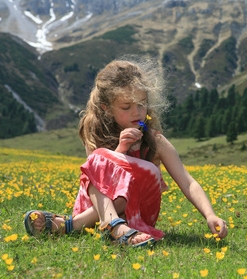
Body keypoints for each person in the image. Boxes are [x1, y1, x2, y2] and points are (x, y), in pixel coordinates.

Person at [24, 56, 228, 247]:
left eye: (142, 104)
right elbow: (100, 181)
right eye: (126, 106)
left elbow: (187, 181)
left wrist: (210, 215)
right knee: (98, 157)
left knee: (148, 170)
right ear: (106, 108)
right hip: (98, 204)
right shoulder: (95, 131)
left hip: (136, 215)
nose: (137, 112)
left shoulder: (154, 139)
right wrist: (121, 149)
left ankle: (74, 225)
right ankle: (110, 225)